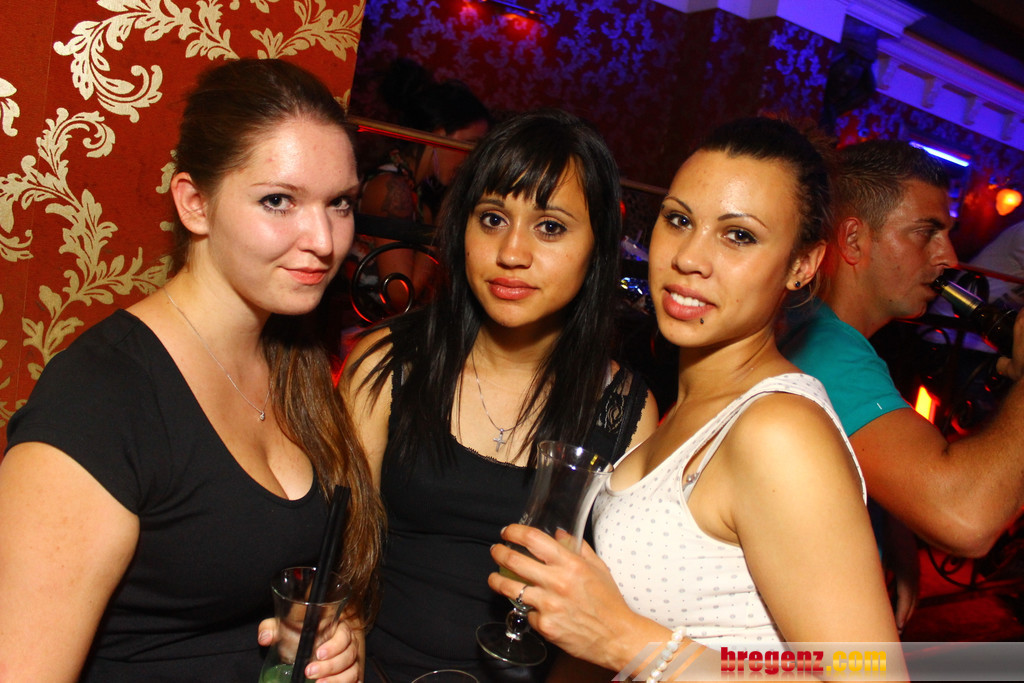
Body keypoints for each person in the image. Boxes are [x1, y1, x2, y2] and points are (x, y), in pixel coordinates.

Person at [0, 59, 383, 682]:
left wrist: (325, 643)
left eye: (339, 203)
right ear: (195, 204)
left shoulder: (296, 360)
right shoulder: (100, 401)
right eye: (279, 201)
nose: (323, 239)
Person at [487, 117, 905, 679]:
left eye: (739, 236)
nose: (688, 257)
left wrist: (625, 640)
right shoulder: (687, 408)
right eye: (679, 220)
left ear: (802, 265)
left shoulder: (780, 430)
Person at [343, 109, 660, 682]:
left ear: (597, 248)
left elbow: (607, 621)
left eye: (550, 227)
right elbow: (341, 554)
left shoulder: (624, 412)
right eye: (492, 219)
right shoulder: (388, 362)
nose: (512, 252)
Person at [779, 139, 1024, 571]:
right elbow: (965, 518)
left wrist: (891, 527)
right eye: (926, 233)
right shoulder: (827, 350)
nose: (949, 258)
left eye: (947, 234)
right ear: (853, 240)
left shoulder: (806, 319)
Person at [353, 58, 491, 313]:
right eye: (471, 144)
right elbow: (400, 294)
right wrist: (442, 219)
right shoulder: (392, 187)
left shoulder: (416, 193)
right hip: (360, 327)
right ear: (439, 134)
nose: (472, 158)